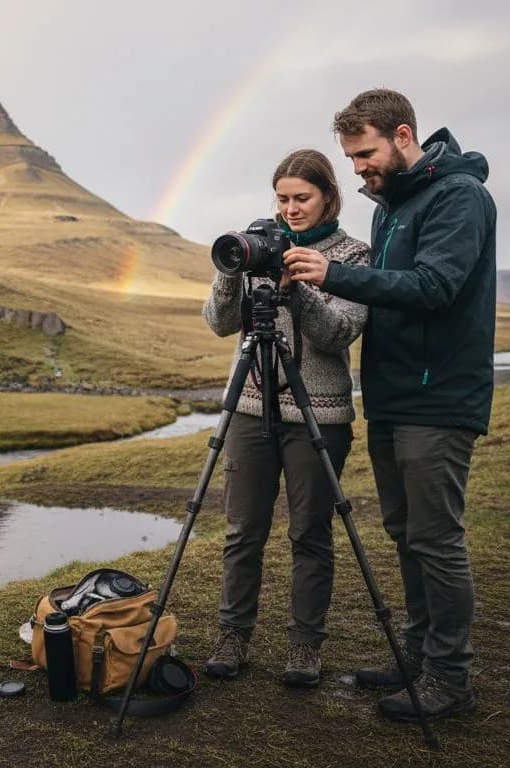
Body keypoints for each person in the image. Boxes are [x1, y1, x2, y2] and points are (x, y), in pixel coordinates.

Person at [284, 88, 496, 722]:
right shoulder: (390, 208)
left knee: (436, 539)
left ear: (404, 137)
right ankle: (417, 658)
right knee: (405, 534)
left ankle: (450, 679)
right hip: (393, 397)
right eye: (350, 158)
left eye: (366, 153)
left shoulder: (460, 197)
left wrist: (331, 273)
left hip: (441, 396)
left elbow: (435, 286)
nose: (358, 169)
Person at [201, 149, 369, 688]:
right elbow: (220, 323)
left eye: (302, 198)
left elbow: (339, 332)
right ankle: (233, 635)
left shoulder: (355, 255)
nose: (291, 209)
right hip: (251, 406)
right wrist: (233, 268)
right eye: (282, 198)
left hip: (320, 415)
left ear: (328, 197)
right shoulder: (259, 245)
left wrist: (303, 292)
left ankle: (304, 647)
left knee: (310, 533)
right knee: (242, 530)